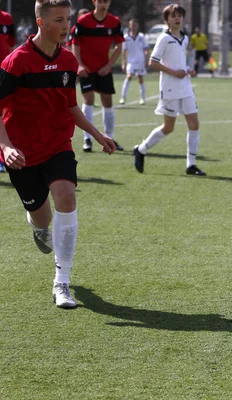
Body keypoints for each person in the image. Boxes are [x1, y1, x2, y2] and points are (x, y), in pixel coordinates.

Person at [0, 0, 116, 309]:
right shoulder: (15, 62)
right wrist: (6, 146)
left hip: (57, 145)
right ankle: (39, 227)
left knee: (66, 195)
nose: (66, 26)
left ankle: (61, 283)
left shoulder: (67, 60)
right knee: (42, 215)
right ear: (41, 22)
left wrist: (97, 133)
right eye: (59, 20)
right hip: (22, 152)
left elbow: (70, 105)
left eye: (67, 19)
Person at [133, 4, 206, 176]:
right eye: (173, 16)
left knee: (194, 123)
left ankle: (191, 165)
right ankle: (141, 150)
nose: (177, 18)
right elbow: (153, 62)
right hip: (170, 89)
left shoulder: (185, 38)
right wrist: (174, 73)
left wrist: (188, 69)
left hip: (185, 87)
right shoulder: (164, 38)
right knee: (168, 127)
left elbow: (179, 61)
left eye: (179, 15)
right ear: (167, 20)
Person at [72, 0, 125, 152]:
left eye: (106, 1)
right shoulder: (83, 21)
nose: (103, 4)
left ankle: (109, 138)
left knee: (107, 102)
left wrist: (108, 66)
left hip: (104, 70)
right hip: (87, 70)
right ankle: (87, 140)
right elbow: (75, 44)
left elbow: (119, 46)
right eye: (100, 1)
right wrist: (80, 65)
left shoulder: (114, 22)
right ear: (94, 2)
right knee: (88, 100)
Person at [119, 18, 149, 105]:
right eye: (132, 25)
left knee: (140, 78)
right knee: (129, 76)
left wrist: (146, 58)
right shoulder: (126, 37)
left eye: (135, 25)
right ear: (129, 26)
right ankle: (123, 97)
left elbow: (146, 48)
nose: (133, 27)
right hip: (131, 62)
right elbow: (124, 51)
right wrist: (123, 63)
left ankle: (142, 98)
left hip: (140, 61)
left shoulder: (141, 37)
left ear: (137, 26)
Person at [0, 8, 15, 173]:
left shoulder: (6, 18)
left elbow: (11, 46)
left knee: (3, 115)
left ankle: (1, 157)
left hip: (3, 73)